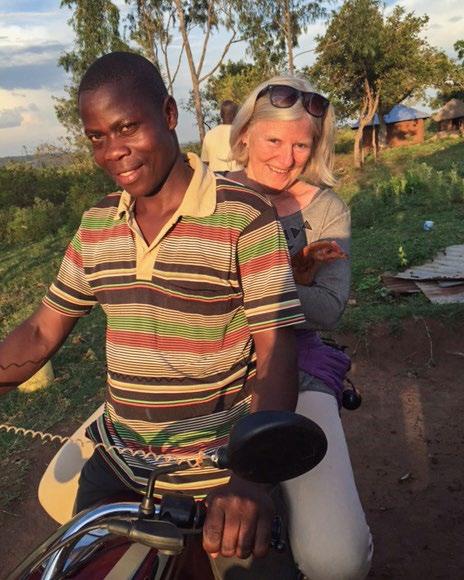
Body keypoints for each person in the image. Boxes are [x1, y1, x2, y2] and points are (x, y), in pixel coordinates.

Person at [0, 54, 307, 577]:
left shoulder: (243, 215)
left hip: (218, 469)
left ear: (168, 113)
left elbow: (276, 349)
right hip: (119, 465)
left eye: (126, 128)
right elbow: (38, 331)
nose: (112, 151)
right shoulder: (98, 223)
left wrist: (250, 480)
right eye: (96, 136)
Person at [226, 76, 373, 580]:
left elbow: (329, 309)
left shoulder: (327, 208)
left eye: (301, 144)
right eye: (273, 140)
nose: (286, 158)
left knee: (339, 560)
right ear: (244, 134)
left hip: (296, 364)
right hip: (204, 360)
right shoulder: (206, 195)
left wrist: (240, 284)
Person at [200, 100, 241, 172]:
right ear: (236, 114)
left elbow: (205, 163)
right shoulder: (241, 133)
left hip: (216, 180)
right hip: (237, 179)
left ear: (221, 114)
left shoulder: (209, 134)